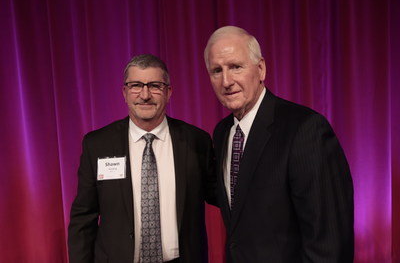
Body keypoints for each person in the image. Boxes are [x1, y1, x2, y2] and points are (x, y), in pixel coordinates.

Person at [204, 26, 354, 262]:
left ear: (261, 68)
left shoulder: (306, 129)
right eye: (216, 70)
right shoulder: (223, 132)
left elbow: (329, 242)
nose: (226, 81)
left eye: (236, 67)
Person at [68, 54, 216, 263]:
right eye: (136, 85)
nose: (145, 95)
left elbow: (220, 194)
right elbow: (83, 217)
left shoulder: (196, 140)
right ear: (125, 92)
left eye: (155, 85)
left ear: (168, 92)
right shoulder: (97, 144)